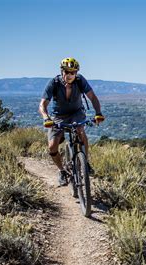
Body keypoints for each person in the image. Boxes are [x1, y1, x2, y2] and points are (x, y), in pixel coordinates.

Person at [39, 57, 105, 186]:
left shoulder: (80, 81)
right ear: (62, 71)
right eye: (66, 72)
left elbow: (92, 97)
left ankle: (85, 161)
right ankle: (62, 171)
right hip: (58, 116)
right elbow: (42, 104)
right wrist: (46, 118)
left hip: (77, 113)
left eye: (72, 72)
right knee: (52, 147)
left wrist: (98, 113)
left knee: (80, 130)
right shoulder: (54, 83)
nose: (69, 75)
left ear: (76, 73)